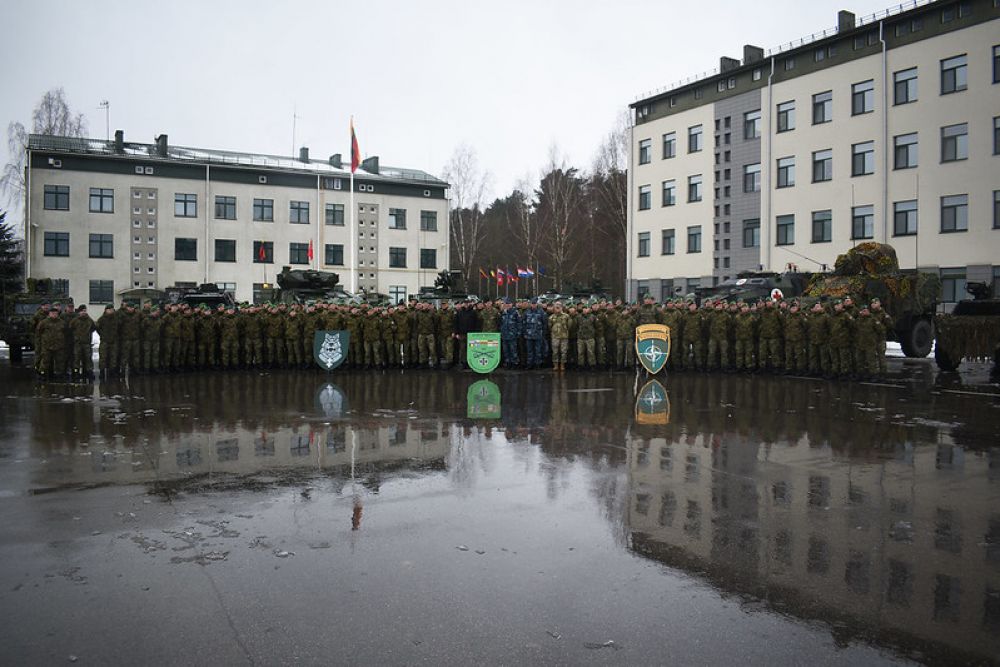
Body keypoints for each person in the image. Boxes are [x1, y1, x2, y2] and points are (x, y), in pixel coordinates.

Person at [69, 305, 96, 379]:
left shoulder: (89, 320)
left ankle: (89, 372)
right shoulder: (75, 320)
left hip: (87, 343)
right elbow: (70, 328)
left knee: (88, 358)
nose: (84, 312)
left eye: (85, 311)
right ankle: (76, 372)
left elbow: (93, 328)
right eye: (82, 311)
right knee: (77, 358)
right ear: (79, 312)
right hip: (78, 343)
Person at [548, 303, 570, 372]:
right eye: (556, 307)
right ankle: (556, 365)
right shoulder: (551, 317)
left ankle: (562, 365)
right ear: (554, 308)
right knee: (555, 352)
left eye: (559, 307)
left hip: (564, 337)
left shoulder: (566, 316)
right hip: (555, 337)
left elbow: (569, 326)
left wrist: (565, 331)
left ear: (561, 308)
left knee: (564, 351)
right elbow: (549, 326)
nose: (557, 309)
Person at [500, 301, 522, 368]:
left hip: (512, 335)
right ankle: (508, 362)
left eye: (509, 304)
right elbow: (501, 323)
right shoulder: (504, 312)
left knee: (513, 350)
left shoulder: (515, 312)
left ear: (511, 304)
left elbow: (519, 323)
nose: (507, 305)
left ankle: (515, 363)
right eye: (506, 304)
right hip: (504, 335)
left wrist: (518, 332)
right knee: (506, 350)